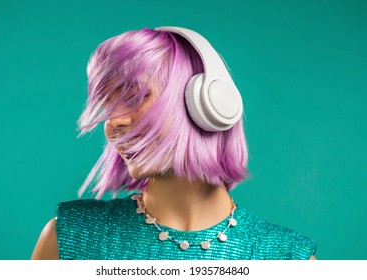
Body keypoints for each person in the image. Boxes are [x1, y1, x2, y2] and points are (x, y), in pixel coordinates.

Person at [31, 26, 317, 260]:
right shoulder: (69, 239)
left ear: (206, 104)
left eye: (134, 96)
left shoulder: (288, 258)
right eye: (108, 106)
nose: (112, 123)